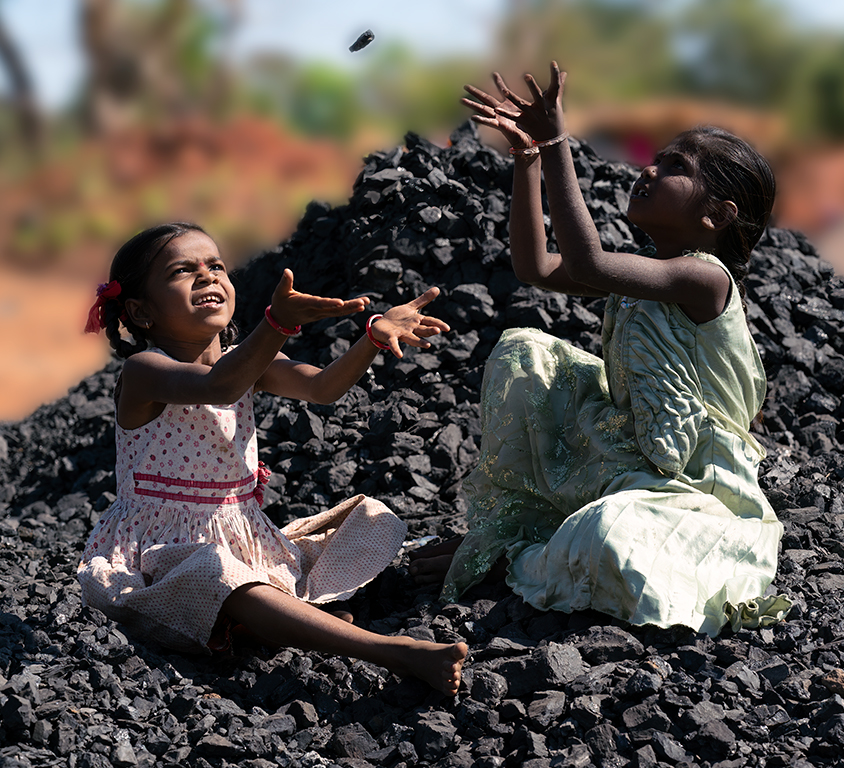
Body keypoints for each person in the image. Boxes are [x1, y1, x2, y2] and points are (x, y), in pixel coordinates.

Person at [410, 63, 791, 636]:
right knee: (524, 351)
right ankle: (523, 530)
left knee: (609, 534)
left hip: (698, 483)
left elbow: (585, 262)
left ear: (716, 215)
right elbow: (535, 268)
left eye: (676, 167)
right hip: (626, 453)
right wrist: (528, 159)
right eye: (657, 159)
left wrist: (557, 142)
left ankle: (521, 550)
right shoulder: (649, 272)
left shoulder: (704, 279)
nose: (650, 170)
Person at [78, 222, 467, 693]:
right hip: (156, 553)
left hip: (241, 537)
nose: (207, 276)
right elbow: (219, 386)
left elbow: (322, 388)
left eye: (216, 266)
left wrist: (373, 337)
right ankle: (391, 650)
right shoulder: (146, 370)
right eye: (182, 271)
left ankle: (266, 623)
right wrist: (277, 324)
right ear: (141, 311)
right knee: (213, 571)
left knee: (370, 518)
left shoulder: (248, 363)